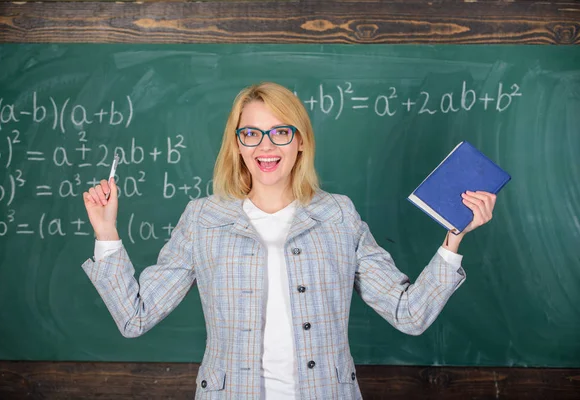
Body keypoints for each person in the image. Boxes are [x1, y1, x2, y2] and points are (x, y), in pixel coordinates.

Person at [82, 82, 497, 400]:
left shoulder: (337, 215)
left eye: (280, 132)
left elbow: (410, 315)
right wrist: (106, 233)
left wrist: (453, 236)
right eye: (252, 134)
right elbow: (135, 318)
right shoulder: (203, 219)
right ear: (237, 145)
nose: (266, 146)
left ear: (300, 142)